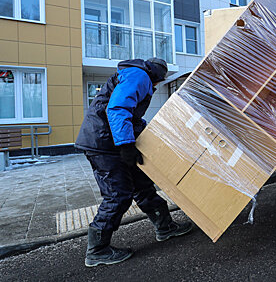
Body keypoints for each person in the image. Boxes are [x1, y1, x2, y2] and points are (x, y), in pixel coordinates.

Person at [75, 58, 192, 267]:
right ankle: (97, 250)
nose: (156, 86)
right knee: (118, 194)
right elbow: (118, 109)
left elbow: (133, 118)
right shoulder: (140, 75)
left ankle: (165, 227)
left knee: (143, 185)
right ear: (157, 76)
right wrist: (126, 144)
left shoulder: (135, 75)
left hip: (112, 141)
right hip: (104, 143)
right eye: (159, 82)